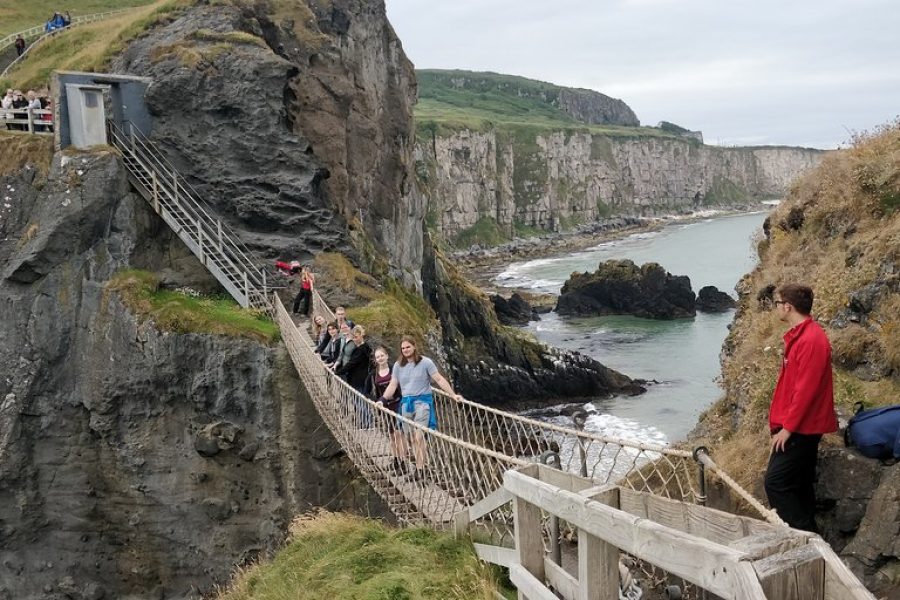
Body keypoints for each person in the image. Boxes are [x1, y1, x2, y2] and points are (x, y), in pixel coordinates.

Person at [764, 283, 838, 532]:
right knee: (799, 483)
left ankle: (805, 537)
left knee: (775, 483)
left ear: (788, 306)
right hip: (798, 425)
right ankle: (808, 535)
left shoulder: (810, 339)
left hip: (800, 428)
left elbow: (805, 391)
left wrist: (788, 428)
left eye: (777, 303)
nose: (776, 309)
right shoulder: (803, 335)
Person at [378, 336, 464, 481]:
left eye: (408, 347)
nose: (405, 350)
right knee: (411, 438)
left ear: (414, 347)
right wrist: (382, 400)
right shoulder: (398, 366)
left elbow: (439, 379)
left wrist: (453, 395)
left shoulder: (426, 362)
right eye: (403, 348)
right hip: (406, 404)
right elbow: (393, 385)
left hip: (423, 403)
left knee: (418, 437)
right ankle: (419, 469)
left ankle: (421, 469)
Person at [366, 346, 406, 472]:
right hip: (385, 407)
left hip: (398, 404)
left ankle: (403, 462)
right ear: (375, 360)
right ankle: (396, 460)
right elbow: (367, 390)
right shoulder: (373, 374)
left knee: (399, 434)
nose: (380, 358)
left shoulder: (395, 369)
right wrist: (375, 401)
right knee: (392, 435)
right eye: (378, 357)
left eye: (382, 355)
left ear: (387, 356)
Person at [336, 325, 373, 427]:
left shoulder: (360, 350)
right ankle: (365, 421)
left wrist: (338, 372)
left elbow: (351, 363)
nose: (355, 339)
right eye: (354, 337)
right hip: (363, 378)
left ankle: (366, 423)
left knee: (359, 401)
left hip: (357, 379)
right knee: (361, 400)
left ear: (361, 335)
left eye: (356, 337)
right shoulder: (367, 348)